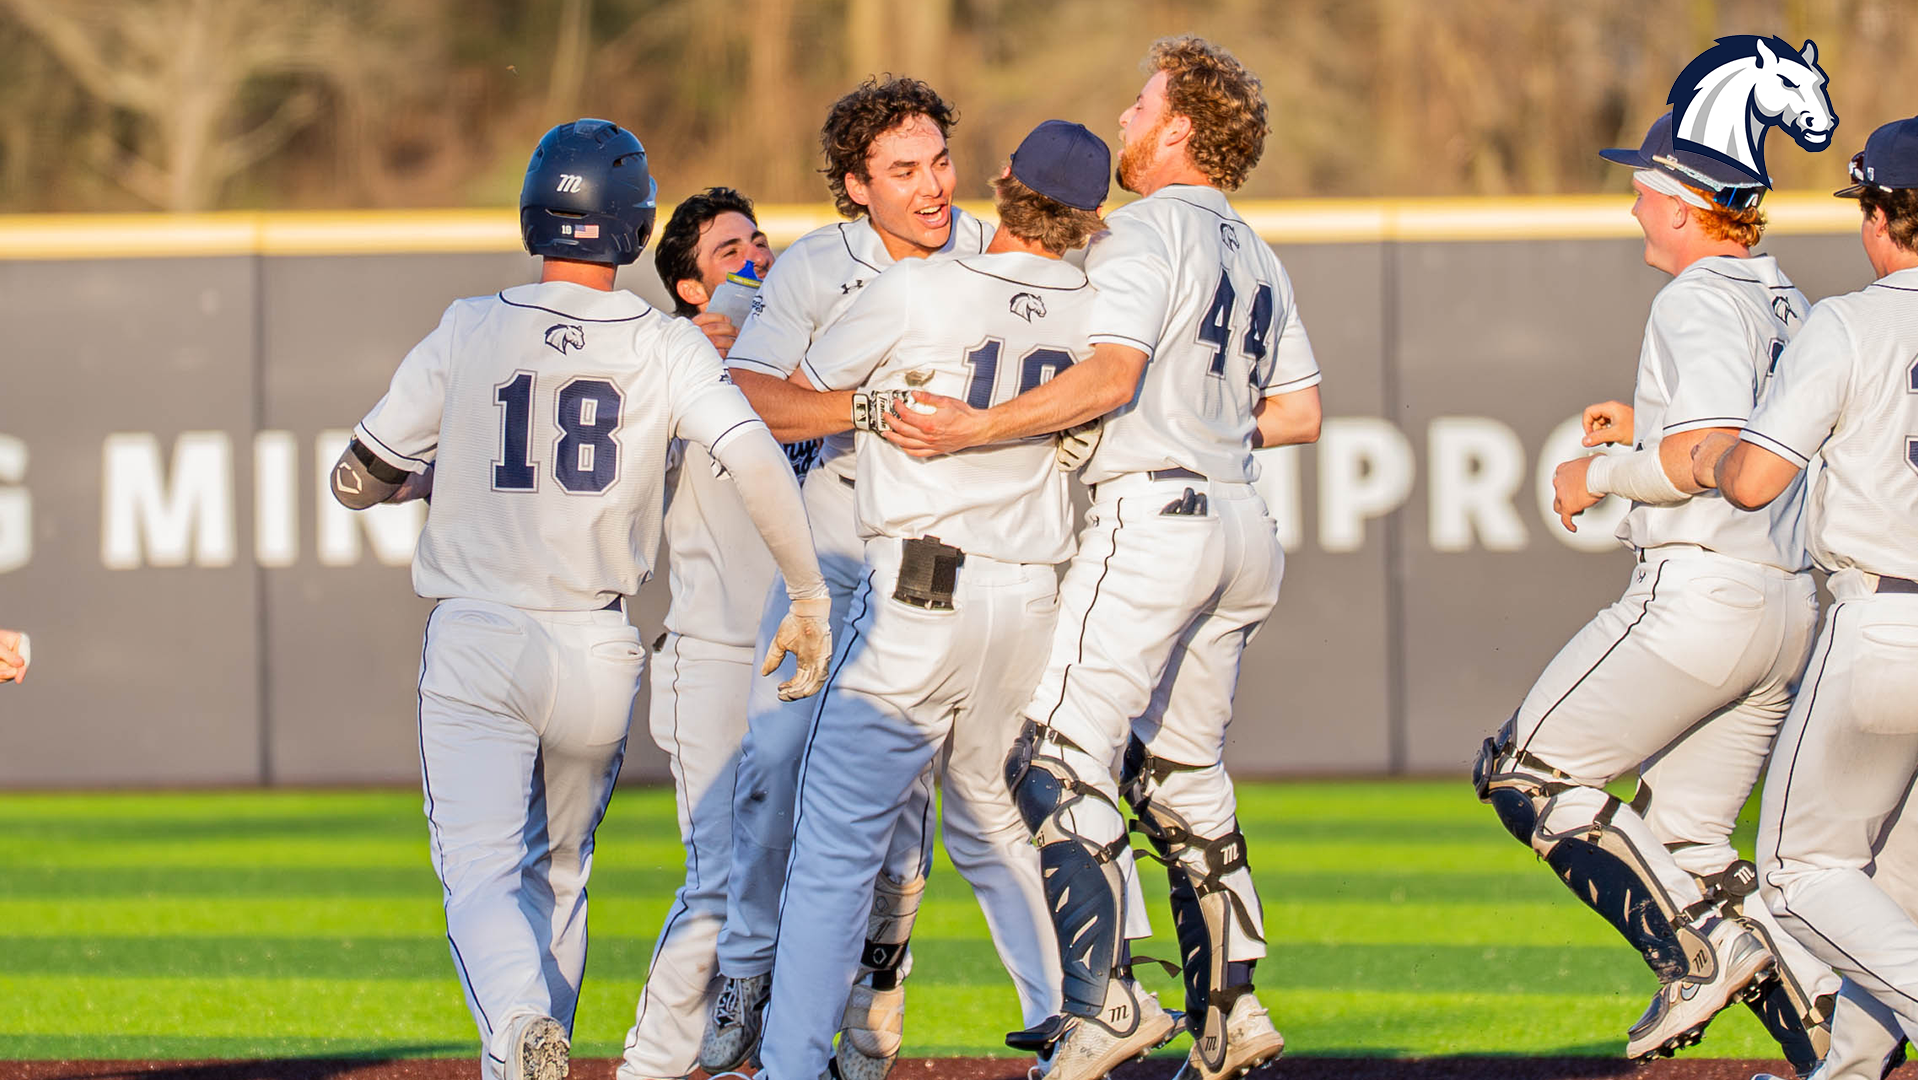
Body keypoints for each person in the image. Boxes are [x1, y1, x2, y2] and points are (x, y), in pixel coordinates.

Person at [330, 119, 833, 1080]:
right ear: (638, 229)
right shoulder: (665, 344)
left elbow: (359, 478)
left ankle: (521, 1027)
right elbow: (755, 458)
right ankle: (529, 1049)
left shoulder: (472, 325)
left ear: (534, 213)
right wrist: (807, 590)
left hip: (481, 634)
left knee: (480, 875)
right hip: (598, 648)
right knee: (559, 879)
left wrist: (434, 477)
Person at [883, 37, 1322, 1080]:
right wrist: (1208, 431)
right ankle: (1232, 1003)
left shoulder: (1139, 235)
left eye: (1140, 104)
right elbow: (1299, 414)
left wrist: (968, 431)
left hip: (1155, 517)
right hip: (1240, 526)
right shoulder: (1257, 251)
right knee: (1180, 773)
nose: (1125, 118)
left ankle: (1104, 999)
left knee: (1049, 754)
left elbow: (1107, 380)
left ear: (1177, 129)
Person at [1474, 109, 1836, 1066]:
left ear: (1684, 205)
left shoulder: (1697, 297)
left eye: (1646, 185)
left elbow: (1698, 457)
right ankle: (1834, 1058)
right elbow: (1748, 434)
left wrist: (1597, 473)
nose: (1634, 199)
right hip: (1791, 606)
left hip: (1705, 594)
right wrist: (1652, 420)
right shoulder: (1784, 296)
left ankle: (1697, 956)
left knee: (1527, 773)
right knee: (1691, 847)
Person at [753, 119, 1106, 1080]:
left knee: (834, 845)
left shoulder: (918, 287)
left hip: (922, 591)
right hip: (1032, 596)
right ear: (1089, 217)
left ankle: (789, 1067)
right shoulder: (1103, 311)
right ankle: (1080, 1025)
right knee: (996, 817)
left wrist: (862, 408)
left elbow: (766, 397)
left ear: (999, 183)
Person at [699, 76, 1027, 1080]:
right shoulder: (811, 270)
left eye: (937, 161)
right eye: (902, 170)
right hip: (831, 570)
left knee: (931, 815)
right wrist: (866, 403)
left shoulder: (990, 254)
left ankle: (874, 999)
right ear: (855, 186)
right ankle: (749, 973)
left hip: (955, 573)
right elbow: (748, 395)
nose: (932, 187)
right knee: (772, 776)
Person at [1692, 114, 1918, 1080]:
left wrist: (1702, 451)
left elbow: (1752, 482)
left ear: (1880, 215)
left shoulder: (1851, 321)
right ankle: (1853, 1072)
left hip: (1885, 622)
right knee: (1891, 886)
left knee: (1797, 877)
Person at [617, 187, 780, 1080]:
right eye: (730, 250)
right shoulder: (670, 359)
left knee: (798, 881)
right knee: (719, 883)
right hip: (713, 658)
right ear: (688, 286)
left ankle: (762, 1058)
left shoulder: (805, 347)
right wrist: (691, 348)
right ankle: (650, 1068)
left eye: (759, 239)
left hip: (797, 660)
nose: (756, 255)